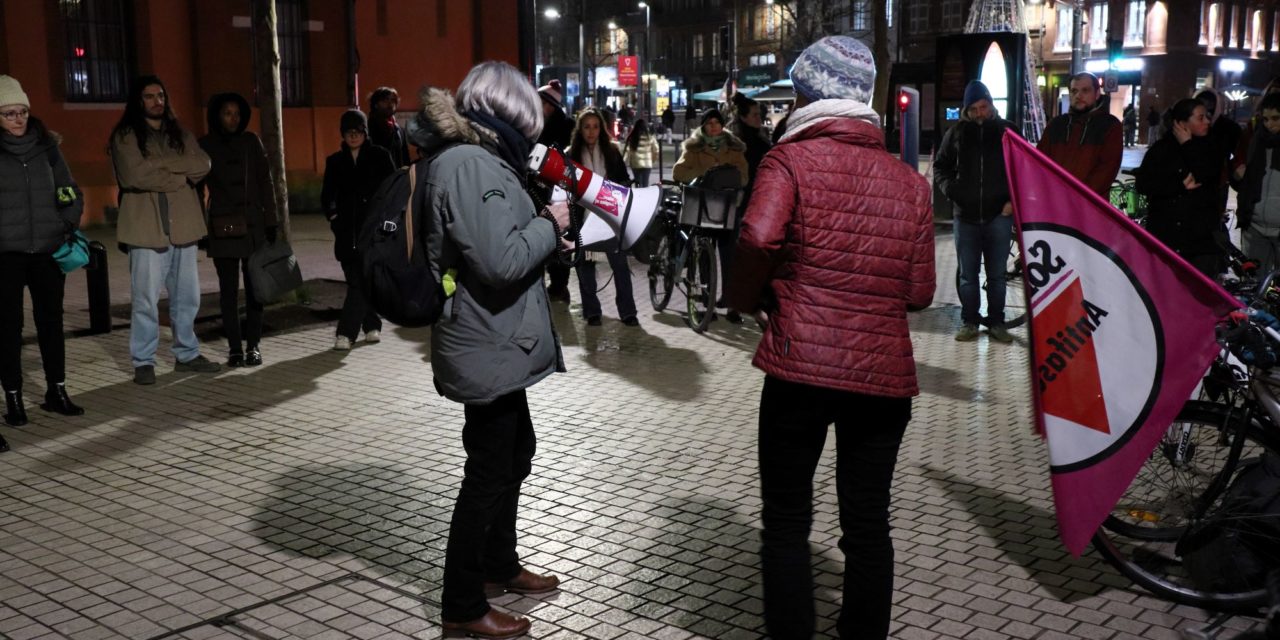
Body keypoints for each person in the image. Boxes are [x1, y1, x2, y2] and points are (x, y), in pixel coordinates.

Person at [725, 36, 934, 640]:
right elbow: (919, 292)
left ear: (808, 95)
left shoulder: (787, 161)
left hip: (800, 368)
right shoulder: (909, 183)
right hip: (882, 375)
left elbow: (758, 239)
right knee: (868, 521)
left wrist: (750, 301)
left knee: (787, 519)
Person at [415, 61, 571, 640]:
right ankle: (462, 604)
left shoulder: (484, 158)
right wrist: (550, 227)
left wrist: (542, 229)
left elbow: (500, 238)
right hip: (483, 340)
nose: (534, 131)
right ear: (508, 113)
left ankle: (498, 567)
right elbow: (499, 261)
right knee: (488, 471)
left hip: (496, 337)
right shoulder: (468, 163)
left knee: (515, 453)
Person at [110, 75, 218, 385]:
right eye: (149, 96)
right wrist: (178, 176)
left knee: (187, 297)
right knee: (145, 299)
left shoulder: (179, 131)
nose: (158, 101)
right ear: (138, 100)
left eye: (161, 95)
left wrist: (162, 166)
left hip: (183, 225)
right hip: (145, 228)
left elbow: (203, 165)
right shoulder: (126, 135)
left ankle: (187, 354)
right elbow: (135, 176)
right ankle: (143, 360)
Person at [1, 74, 85, 429]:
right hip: (6, 256)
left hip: (47, 251)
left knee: (51, 324)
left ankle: (57, 391)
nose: (18, 119)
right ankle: (15, 398)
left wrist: (66, 225)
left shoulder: (47, 147)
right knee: (8, 328)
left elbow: (69, 190)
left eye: (22, 111)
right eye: (9, 113)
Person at [934, 80, 1018, 343]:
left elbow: (1023, 170)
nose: (981, 113)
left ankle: (996, 323)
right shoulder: (956, 134)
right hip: (966, 217)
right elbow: (941, 167)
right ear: (966, 110)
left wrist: (1013, 202)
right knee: (967, 275)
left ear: (991, 105)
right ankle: (969, 321)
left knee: (997, 276)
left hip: (998, 216)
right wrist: (953, 192)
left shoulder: (1008, 132)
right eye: (975, 108)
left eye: (984, 106)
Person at [198, 93, 278, 368]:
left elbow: (266, 182)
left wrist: (272, 221)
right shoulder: (205, 144)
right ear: (217, 115)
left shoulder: (250, 142)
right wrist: (200, 228)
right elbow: (196, 188)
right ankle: (234, 349)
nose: (232, 118)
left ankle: (254, 347)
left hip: (253, 225)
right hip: (223, 227)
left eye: (236, 113)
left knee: (256, 290)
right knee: (228, 293)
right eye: (226, 113)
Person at [321, 109, 395, 351]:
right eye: (348, 132)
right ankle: (372, 324)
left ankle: (345, 333)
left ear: (365, 132)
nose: (353, 137)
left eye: (357, 132)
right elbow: (327, 195)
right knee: (358, 281)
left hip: (372, 232)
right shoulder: (335, 161)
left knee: (360, 283)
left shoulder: (380, 156)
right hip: (345, 233)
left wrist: (386, 220)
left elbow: (392, 190)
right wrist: (334, 217)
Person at [1135, 98, 1225, 279]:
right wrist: (1178, 186)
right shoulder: (1161, 149)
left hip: (1199, 242)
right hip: (1164, 236)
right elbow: (1143, 184)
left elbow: (1205, 174)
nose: (1207, 121)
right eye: (1200, 118)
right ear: (1182, 123)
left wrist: (1188, 144)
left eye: (1207, 117)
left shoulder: (1211, 147)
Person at [568, 108, 639, 327]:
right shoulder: (571, 154)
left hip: (609, 217)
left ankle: (628, 312)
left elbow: (624, 180)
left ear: (602, 129)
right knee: (585, 265)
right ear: (580, 129)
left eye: (595, 126)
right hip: (582, 217)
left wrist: (614, 191)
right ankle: (592, 312)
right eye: (587, 127)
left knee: (620, 265)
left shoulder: (611, 152)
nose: (591, 132)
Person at [720, 92, 773, 324]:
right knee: (734, 253)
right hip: (738, 203)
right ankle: (734, 303)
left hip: (758, 202)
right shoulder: (735, 141)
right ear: (743, 117)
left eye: (759, 114)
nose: (758, 118)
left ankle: (751, 301)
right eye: (754, 114)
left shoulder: (762, 139)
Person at [1035, 72, 1122, 199]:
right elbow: (1040, 161)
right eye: (1074, 91)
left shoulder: (1109, 125)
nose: (1078, 95)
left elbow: (1107, 170)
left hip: (1090, 206)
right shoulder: (1057, 124)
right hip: (1055, 202)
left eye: (1085, 90)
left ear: (1097, 94)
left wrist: (1076, 196)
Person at [536, 80, 574, 305]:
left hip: (557, 188)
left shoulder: (564, 126)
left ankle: (559, 286)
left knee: (561, 236)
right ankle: (550, 285)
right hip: (538, 187)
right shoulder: (534, 123)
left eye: (545, 102)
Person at [1235, 93, 1280, 272]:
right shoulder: (1256, 139)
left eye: (1276, 118)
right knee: (1253, 286)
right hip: (1255, 226)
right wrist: (1239, 175)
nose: (1270, 124)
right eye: (1266, 119)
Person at [672, 108, 749, 185]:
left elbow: (744, 177)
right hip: (700, 195)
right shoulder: (694, 147)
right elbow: (678, 173)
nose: (713, 126)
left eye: (717, 122)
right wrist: (702, 175)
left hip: (727, 195)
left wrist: (724, 178)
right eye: (709, 123)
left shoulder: (733, 147)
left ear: (721, 125)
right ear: (704, 126)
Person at [368, 86, 411, 168]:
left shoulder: (399, 130)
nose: (390, 104)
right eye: (385, 100)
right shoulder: (367, 128)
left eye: (393, 100)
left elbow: (405, 160)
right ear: (376, 104)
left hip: (397, 178)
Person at [623, 118, 660, 186]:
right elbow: (656, 150)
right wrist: (652, 160)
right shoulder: (650, 137)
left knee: (638, 183)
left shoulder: (632, 137)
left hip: (635, 163)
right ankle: (645, 195)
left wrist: (623, 162)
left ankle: (638, 194)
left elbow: (627, 151)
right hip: (647, 164)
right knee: (645, 183)